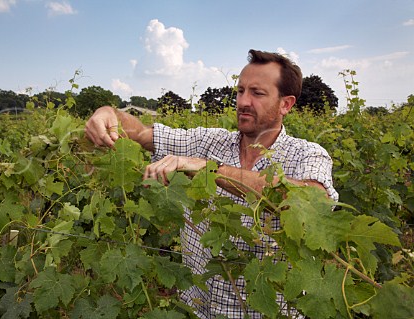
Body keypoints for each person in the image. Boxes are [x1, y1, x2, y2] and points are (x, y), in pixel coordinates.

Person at [85, 49, 338, 318]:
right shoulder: (208, 141)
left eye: (257, 93)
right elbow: (144, 134)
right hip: (199, 310)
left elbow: (314, 202)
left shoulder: (308, 154)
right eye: (240, 91)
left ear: (286, 104)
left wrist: (211, 169)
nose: (243, 101)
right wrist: (107, 113)